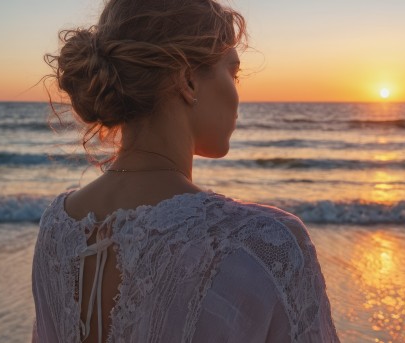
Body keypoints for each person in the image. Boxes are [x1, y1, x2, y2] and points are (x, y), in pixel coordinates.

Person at [31, 0, 340, 342]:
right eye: (233, 73)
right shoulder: (264, 243)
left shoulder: (57, 227)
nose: (238, 96)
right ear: (188, 81)